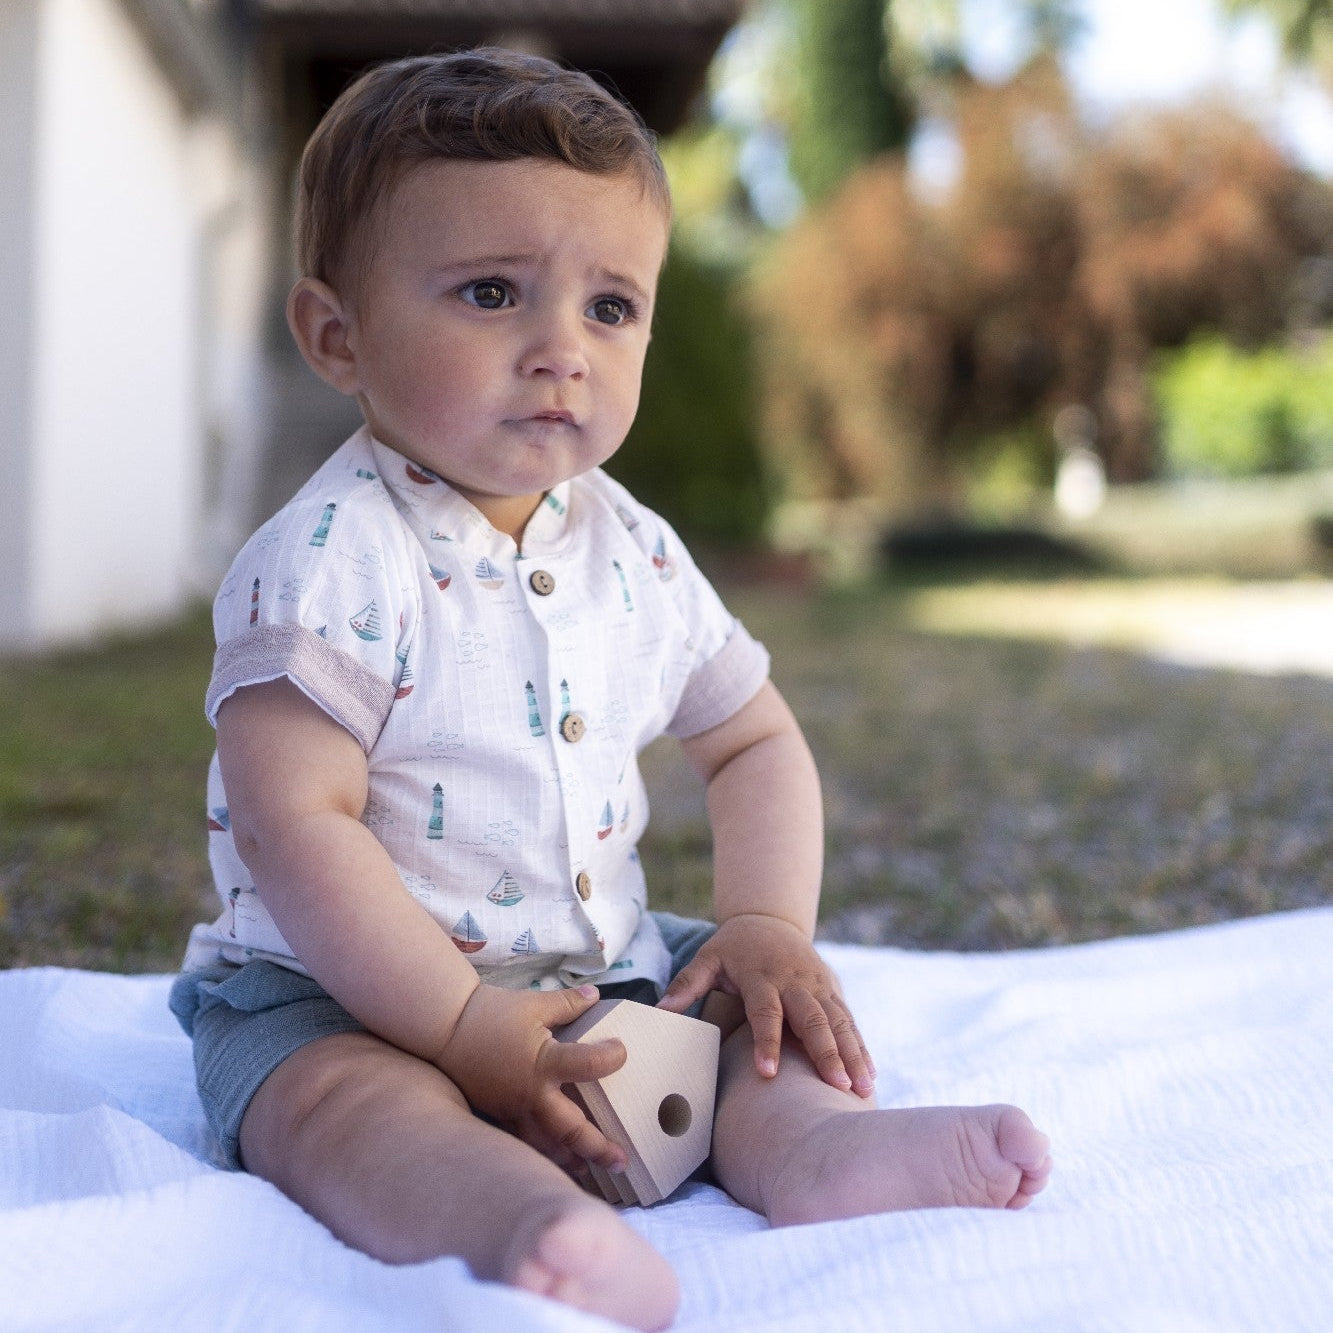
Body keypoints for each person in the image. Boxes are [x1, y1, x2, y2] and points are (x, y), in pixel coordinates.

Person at [170, 47, 1051, 1331]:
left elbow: (750, 738)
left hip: (596, 975)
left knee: (738, 1020)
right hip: (337, 991)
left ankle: (811, 1152)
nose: (560, 352)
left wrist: (766, 925)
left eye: (611, 308)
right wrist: (461, 1022)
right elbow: (289, 823)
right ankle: (520, 1224)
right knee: (341, 1113)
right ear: (336, 336)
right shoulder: (328, 558)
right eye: (490, 293)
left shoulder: (628, 546)